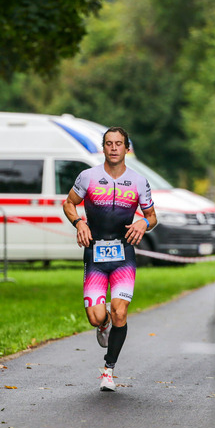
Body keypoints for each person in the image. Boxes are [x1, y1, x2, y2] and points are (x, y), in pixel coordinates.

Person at [62, 126, 157, 391]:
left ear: (127, 148)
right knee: (96, 317)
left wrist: (142, 223)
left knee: (120, 312)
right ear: (103, 148)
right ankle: (102, 326)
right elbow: (69, 203)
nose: (113, 148)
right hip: (95, 252)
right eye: (108, 143)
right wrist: (79, 223)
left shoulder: (139, 181)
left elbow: (152, 216)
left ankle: (108, 370)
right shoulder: (88, 177)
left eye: (118, 143)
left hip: (123, 254)